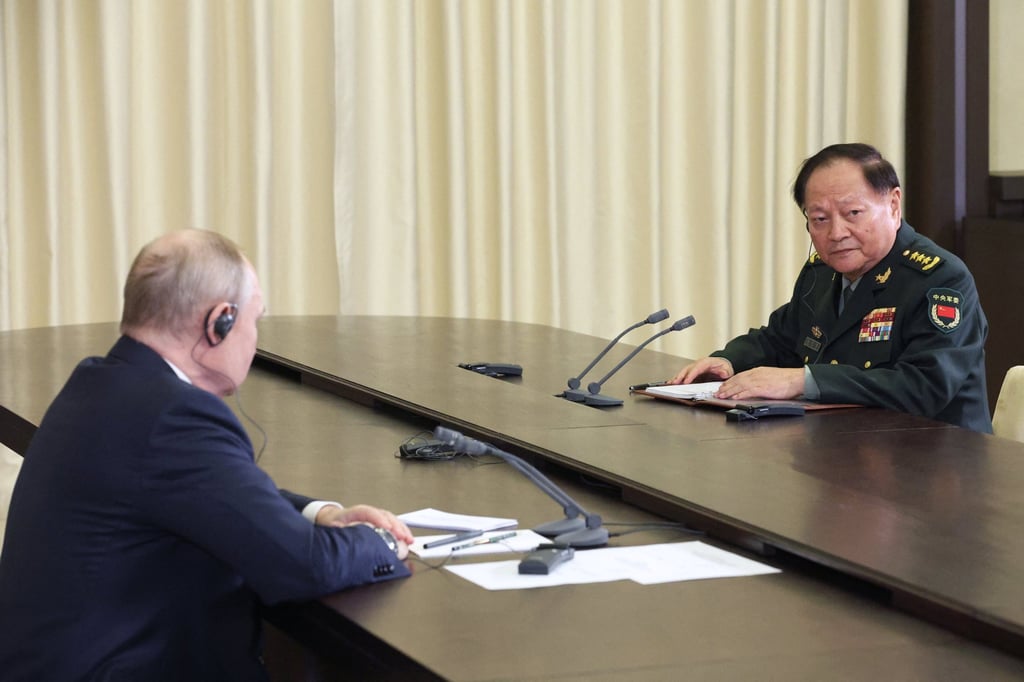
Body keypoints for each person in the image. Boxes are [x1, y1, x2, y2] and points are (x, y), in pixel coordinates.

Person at [0, 230, 415, 679]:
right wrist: (388, 542)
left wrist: (321, 514)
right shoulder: (173, 415)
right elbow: (304, 566)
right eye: (254, 321)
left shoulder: (101, 383)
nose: (255, 341)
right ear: (219, 322)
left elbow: (214, 493)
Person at [671, 143, 992, 433]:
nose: (836, 233)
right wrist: (728, 362)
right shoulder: (821, 273)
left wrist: (803, 380)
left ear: (894, 205)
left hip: (939, 467)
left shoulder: (940, 280)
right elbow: (781, 339)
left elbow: (925, 387)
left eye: (852, 213)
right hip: (847, 451)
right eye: (820, 219)